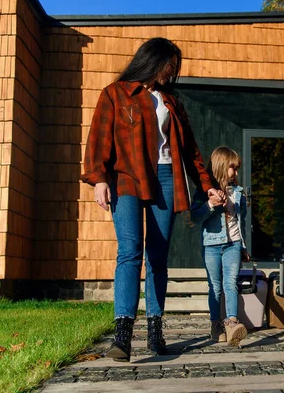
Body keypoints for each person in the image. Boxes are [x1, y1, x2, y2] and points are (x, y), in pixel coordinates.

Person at [81, 37, 222, 362]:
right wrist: (99, 178)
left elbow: (190, 151)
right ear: (153, 60)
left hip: (165, 179)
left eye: (174, 66)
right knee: (129, 250)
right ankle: (123, 334)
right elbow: (98, 139)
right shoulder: (115, 94)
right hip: (126, 178)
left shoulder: (171, 101)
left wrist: (207, 187)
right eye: (170, 64)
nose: (172, 72)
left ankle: (155, 330)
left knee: (158, 257)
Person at [190, 146, 249, 347]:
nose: (236, 173)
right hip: (212, 244)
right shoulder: (204, 191)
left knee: (230, 283)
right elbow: (195, 216)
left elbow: (241, 222)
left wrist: (243, 247)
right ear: (222, 167)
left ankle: (232, 323)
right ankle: (216, 325)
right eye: (233, 168)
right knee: (214, 286)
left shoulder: (239, 193)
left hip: (233, 244)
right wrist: (210, 204)